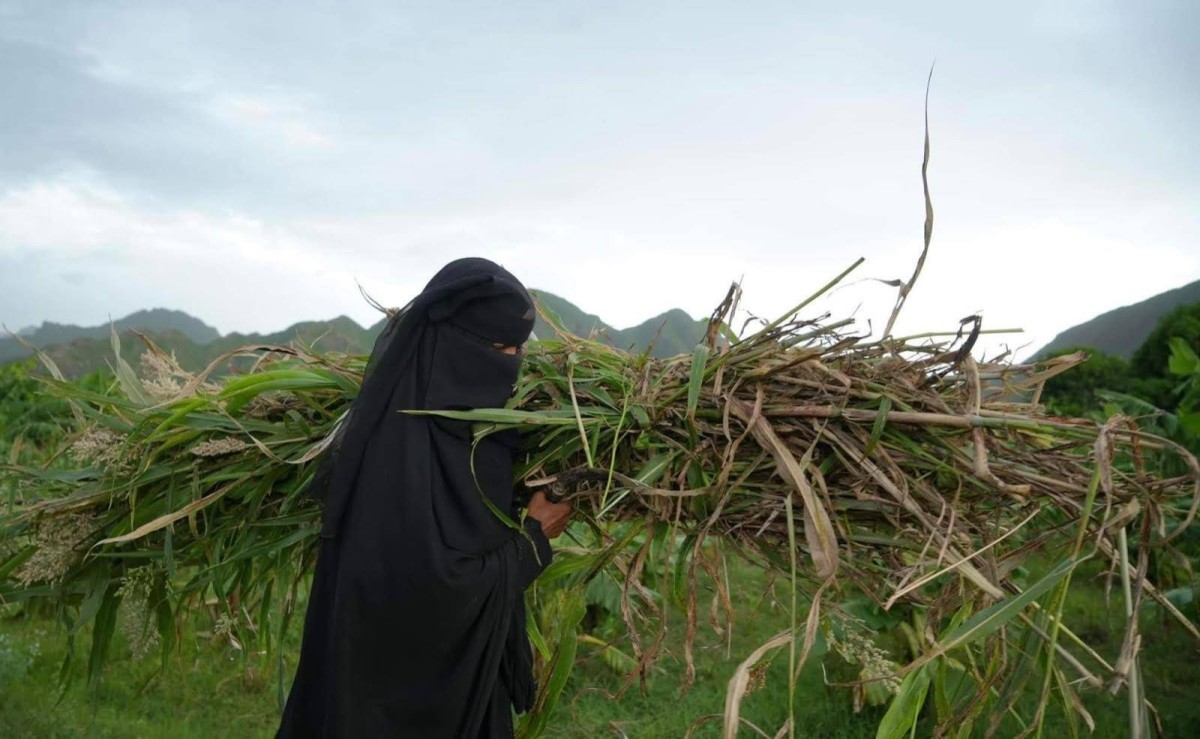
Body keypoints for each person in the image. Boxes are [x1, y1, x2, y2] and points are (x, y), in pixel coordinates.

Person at [277, 258, 572, 738]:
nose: (511, 364)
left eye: (519, 349)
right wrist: (533, 541)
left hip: (471, 689)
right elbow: (425, 596)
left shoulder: (481, 430)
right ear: (455, 345)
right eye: (500, 348)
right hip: (393, 708)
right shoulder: (393, 451)